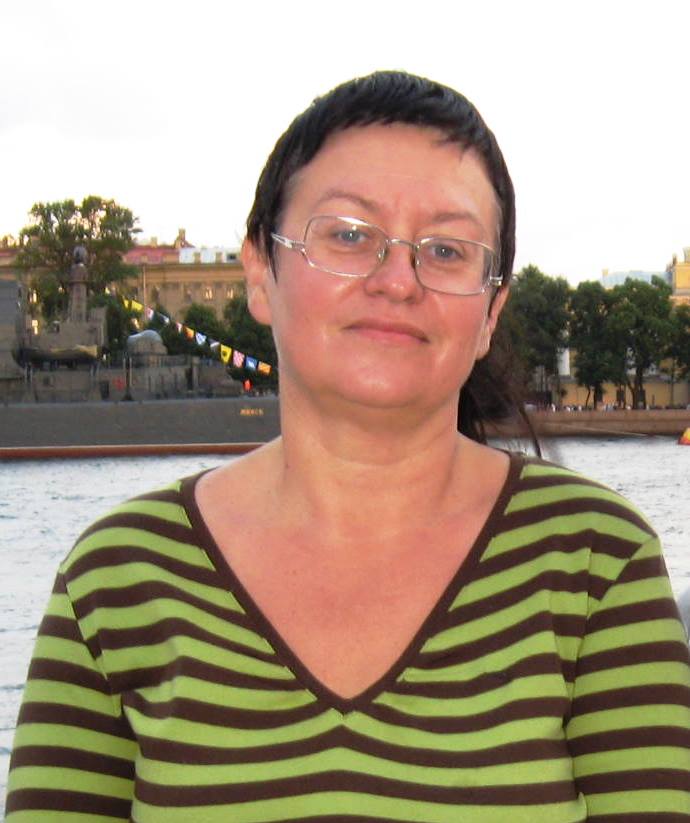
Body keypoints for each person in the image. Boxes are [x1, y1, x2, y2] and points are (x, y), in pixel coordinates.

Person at [6, 71, 690, 821]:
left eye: (447, 249)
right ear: (260, 271)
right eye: (350, 235)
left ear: (491, 311)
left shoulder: (597, 561)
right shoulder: (115, 579)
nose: (398, 280)